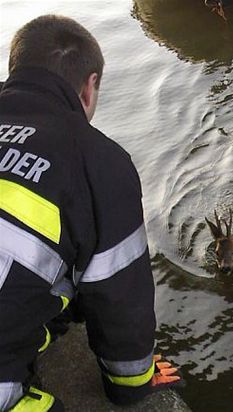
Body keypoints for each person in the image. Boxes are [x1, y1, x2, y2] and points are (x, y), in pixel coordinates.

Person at [0, 15, 181, 411]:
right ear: (90, 87)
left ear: (15, 70)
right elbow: (120, 303)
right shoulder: (98, 160)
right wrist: (131, 386)